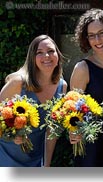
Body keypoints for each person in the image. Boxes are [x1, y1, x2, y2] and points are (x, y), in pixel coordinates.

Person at [0, 34, 68, 167]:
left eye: (50, 51)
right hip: (6, 156)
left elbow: (52, 131)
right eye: (39, 53)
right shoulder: (18, 82)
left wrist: (46, 165)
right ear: (32, 58)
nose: (47, 56)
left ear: (58, 55)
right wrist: (12, 135)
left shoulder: (62, 86)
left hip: (36, 157)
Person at [69, 8, 103, 167]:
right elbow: (71, 108)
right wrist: (73, 131)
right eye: (91, 36)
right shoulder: (83, 68)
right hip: (91, 145)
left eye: (102, 33)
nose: (97, 40)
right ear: (86, 39)